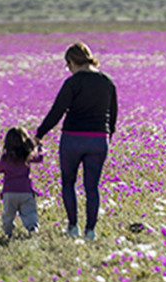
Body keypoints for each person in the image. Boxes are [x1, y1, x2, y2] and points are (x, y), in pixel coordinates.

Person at [36, 42, 117, 241]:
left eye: (68, 64)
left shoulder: (72, 83)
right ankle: (91, 231)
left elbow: (57, 111)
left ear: (72, 61)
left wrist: (40, 133)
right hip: (99, 140)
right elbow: (113, 114)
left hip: (73, 138)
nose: (68, 69)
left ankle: (73, 227)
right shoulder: (107, 82)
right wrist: (108, 136)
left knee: (68, 183)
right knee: (92, 187)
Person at [0, 126, 44, 238]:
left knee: (8, 215)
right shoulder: (26, 157)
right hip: (25, 192)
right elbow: (39, 158)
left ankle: (8, 232)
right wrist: (39, 147)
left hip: (9, 193)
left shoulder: (6, 158)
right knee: (29, 212)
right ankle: (32, 228)